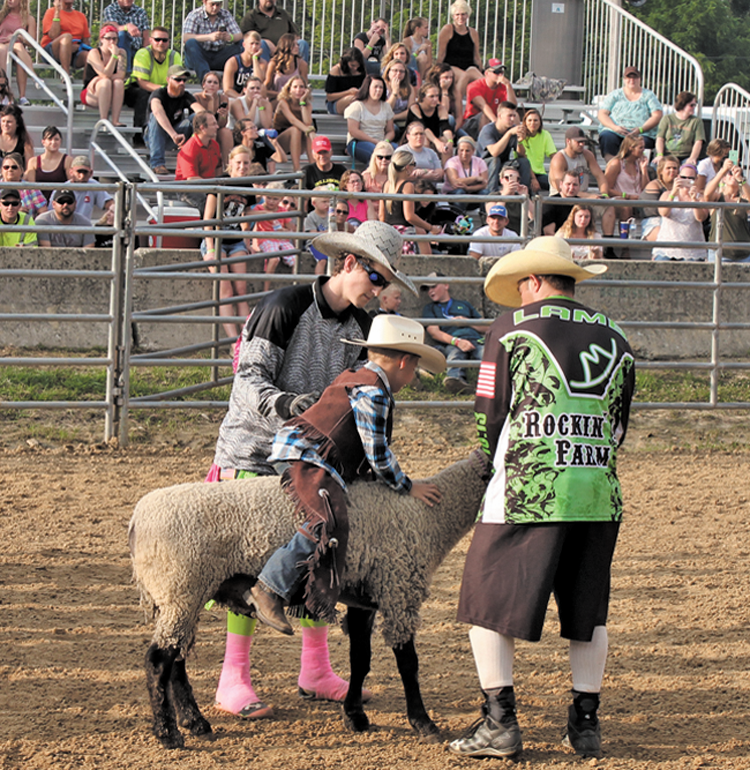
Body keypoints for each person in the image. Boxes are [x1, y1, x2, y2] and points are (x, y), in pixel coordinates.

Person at [206, 220, 415, 718]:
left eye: (385, 282)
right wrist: (291, 407)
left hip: (319, 458)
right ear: (349, 264)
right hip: (253, 453)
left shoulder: (362, 329)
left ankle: (315, 667)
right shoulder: (284, 307)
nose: (380, 290)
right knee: (253, 562)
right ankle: (233, 675)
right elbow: (247, 380)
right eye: (378, 278)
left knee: (329, 544)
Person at [449, 235, 634, 761]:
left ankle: (500, 722)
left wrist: (488, 467)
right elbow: (619, 423)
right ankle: (585, 723)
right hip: (598, 490)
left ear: (531, 281)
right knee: (588, 611)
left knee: (486, 600)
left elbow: (489, 413)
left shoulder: (510, 329)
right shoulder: (617, 335)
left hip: (529, 486)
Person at [247, 313, 444, 633]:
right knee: (327, 520)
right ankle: (268, 587)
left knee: (342, 511)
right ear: (405, 362)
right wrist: (407, 486)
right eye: (415, 371)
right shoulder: (373, 392)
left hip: (312, 451)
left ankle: (312, 590)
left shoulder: (358, 375)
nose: (411, 381)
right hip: (309, 455)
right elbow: (377, 453)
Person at [202, 144, 254, 344]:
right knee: (226, 290)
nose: (242, 167)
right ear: (230, 163)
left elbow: (245, 216)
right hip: (215, 240)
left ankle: (246, 339)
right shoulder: (219, 184)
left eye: (246, 163)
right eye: (239, 162)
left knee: (241, 289)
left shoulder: (249, 186)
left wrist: (247, 240)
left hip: (236, 241)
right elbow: (207, 220)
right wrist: (212, 248)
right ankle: (233, 342)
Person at [421, 271, 485, 394]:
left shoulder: (464, 304)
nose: (430, 291)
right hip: (453, 342)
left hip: (476, 339)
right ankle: (455, 381)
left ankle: (497, 381)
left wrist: (466, 321)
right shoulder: (430, 308)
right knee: (455, 355)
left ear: (446, 285)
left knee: (487, 354)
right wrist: (457, 342)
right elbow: (434, 332)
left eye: (434, 286)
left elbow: (486, 326)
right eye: (427, 288)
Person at [124, 26, 181, 144]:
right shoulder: (143, 54)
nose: (161, 43)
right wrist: (164, 90)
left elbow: (178, 80)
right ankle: (139, 136)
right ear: (150, 40)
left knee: (180, 97)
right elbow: (142, 82)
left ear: (169, 42)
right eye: (157, 39)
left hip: (163, 90)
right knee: (144, 96)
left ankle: (177, 137)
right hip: (137, 89)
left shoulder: (174, 56)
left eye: (165, 40)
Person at [145, 64, 204, 175]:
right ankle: (157, 164)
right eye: (178, 80)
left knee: (197, 118)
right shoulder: (158, 94)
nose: (182, 83)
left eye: (184, 80)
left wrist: (216, 116)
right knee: (155, 116)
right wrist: (173, 134)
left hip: (175, 136)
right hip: (153, 137)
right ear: (168, 80)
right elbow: (157, 110)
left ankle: (197, 159)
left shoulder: (186, 96)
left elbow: (201, 112)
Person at [380, 148, 441, 255]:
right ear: (407, 167)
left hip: (388, 233)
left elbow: (381, 215)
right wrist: (431, 228)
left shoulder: (387, 184)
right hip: (403, 233)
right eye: (414, 164)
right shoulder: (407, 185)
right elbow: (409, 216)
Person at [596, 65, 663, 162]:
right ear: (624, 79)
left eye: (635, 77)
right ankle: (613, 167)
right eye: (629, 77)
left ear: (639, 79)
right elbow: (602, 113)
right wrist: (615, 128)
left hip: (640, 133)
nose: (632, 80)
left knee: (641, 143)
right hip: (616, 131)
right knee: (607, 137)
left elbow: (657, 115)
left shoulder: (648, 95)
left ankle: (634, 169)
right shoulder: (615, 94)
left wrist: (641, 129)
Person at [653, 162, 708, 261]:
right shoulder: (667, 194)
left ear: (696, 180)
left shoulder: (700, 198)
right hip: (666, 248)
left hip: (692, 250)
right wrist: (673, 193)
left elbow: (701, 218)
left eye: (690, 178)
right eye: (683, 177)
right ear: (678, 177)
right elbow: (664, 213)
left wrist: (694, 200)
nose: (686, 181)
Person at [250, 179, 296, 291]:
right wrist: (267, 214)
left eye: (275, 199)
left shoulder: (282, 211)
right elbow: (249, 213)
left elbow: (292, 230)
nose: (271, 201)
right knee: (274, 259)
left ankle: (295, 287)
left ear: (280, 199)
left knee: (296, 259)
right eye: (269, 197)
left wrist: (283, 231)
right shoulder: (259, 208)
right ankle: (266, 290)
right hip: (266, 239)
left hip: (281, 240)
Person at [436, 0, 483, 111]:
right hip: (451, 65)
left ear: (467, 15)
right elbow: (441, 53)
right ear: (453, 16)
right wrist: (437, 69)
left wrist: (481, 70)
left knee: (482, 78)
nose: (460, 17)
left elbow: (476, 56)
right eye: (457, 14)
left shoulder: (473, 32)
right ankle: (456, 104)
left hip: (469, 66)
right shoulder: (447, 29)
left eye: (463, 14)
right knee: (465, 76)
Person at [602, 134, 649, 241]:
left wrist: (644, 170)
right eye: (640, 147)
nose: (643, 150)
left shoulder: (639, 163)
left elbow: (646, 189)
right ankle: (624, 246)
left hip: (637, 200)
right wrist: (628, 196)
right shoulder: (617, 163)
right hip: (620, 198)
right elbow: (607, 189)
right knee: (626, 207)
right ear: (630, 148)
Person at [182, 0, 242, 82]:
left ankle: (239, 82)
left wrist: (230, 37)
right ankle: (207, 81)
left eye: (218, 5)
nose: (215, 8)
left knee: (243, 44)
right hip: (200, 56)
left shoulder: (225, 14)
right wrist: (209, 37)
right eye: (212, 4)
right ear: (204, 2)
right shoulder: (195, 15)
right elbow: (186, 37)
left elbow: (239, 35)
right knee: (191, 43)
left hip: (219, 55)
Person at [477, 102, 531, 193]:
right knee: (495, 160)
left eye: (514, 116)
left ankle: (525, 194)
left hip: (502, 165)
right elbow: (494, 152)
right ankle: (492, 194)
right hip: (484, 166)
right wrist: (509, 134)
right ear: (500, 115)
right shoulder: (488, 130)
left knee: (524, 162)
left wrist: (520, 141)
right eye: (509, 116)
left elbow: (521, 155)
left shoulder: (512, 129)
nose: (513, 119)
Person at [705, 158, 750, 262]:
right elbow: (707, 194)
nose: (733, 175)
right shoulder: (718, 197)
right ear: (724, 178)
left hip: (744, 254)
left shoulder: (743, 199)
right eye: (730, 173)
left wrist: (740, 179)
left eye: (737, 172)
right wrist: (723, 170)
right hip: (720, 253)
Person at [81, 25, 127, 126]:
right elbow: (105, 74)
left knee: (118, 83)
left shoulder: (122, 52)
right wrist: (114, 56)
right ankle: (104, 119)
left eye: (114, 39)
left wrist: (98, 78)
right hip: (92, 92)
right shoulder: (94, 53)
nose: (112, 42)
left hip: (110, 92)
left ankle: (115, 120)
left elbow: (121, 75)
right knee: (105, 82)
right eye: (108, 38)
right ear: (102, 39)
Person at [345, 74, 395, 164]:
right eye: (375, 87)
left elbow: (390, 130)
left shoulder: (386, 106)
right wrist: (374, 141)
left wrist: (386, 142)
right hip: (359, 142)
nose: (378, 90)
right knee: (377, 155)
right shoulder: (357, 106)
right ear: (368, 88)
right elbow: (353, 130)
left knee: (400, 153)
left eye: (381, 87)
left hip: (381, 141)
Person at [462, 58, 517, 140]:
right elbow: (483, 106)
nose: (500, 75)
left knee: (514, 115)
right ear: (487, 73)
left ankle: (517, 143)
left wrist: (508, 85)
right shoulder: (474, 86)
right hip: (472, 123)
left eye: (501, 72)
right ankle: (485, 142)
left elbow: (513, 106)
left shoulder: (503, 87)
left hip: (494, 121)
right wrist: (497, 124)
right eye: (496, 72)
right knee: (485, 115)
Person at [240, 0, 309, 64]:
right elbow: (247, 37)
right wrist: (265, 41)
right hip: (265, 49)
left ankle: (298, 74)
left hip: (285, 48)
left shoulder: (283, 14)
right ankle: (264, 74)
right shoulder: (251, 16)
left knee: (302, 43)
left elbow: (295, 34)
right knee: (262, 44)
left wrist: (286, 45)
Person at [548, 126, 608, 196]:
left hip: (583, 197)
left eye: (583, 141)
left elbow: (600, 176)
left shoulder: (587, 155)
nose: (582, 144)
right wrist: (588, 196)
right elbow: (562, 189)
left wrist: (604, 194)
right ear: (568, 141)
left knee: (610, 206)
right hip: (562, 199)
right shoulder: (559, 159)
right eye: (578, 142)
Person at [404, 81, 454, 164]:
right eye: (431, 96)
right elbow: (423, 128)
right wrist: (437, 142)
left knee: (446, 144)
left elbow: (445, 127)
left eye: (437, 96)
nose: (435, 99)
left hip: (433, 139)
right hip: (415, 139)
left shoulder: (440, 109)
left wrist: (450, 141)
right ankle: (427, 168)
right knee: (424, 141)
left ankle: (446, 172)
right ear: (423, 97)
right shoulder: (415, 108)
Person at [272, 75, 314, 171]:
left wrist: (302, 102)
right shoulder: (283, 102)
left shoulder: (307, 105)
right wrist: (310, 131)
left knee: (306, 132)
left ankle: (313, 166)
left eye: (301, 87)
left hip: (298, 142)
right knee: (297, 129)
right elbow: (293, 120)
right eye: (295, 87)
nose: (298, 90)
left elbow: (307, 122)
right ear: (289, 89)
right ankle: (296, 168)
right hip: (280, 141)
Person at [51, 155, 113, 219]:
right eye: (79, 172)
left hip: (85, 226)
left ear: (91, 173)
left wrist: (108, 215)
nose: (82, 176)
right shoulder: (61, 189)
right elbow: (51, 213)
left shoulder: (93, 185)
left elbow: (109, 203)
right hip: (64, 226)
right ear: (71, 172)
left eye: (85, 172)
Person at [0, 0, 36, 105]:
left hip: (16, 48)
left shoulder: (29, 19)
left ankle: (22, 97)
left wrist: (18, 37)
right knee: (3, 50)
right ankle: (34, 77)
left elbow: (32, 42)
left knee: (19, 47)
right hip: (2, 45)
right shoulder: (1, 16)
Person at [655, 91, 704, 166]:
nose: (694, 107)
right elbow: (660, 138)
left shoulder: (696, 121)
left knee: (690, 168)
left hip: (686, 157)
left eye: (695, 105)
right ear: (683, 105)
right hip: (668, 155)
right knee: (655, 165)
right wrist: (660, 154)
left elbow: (698, 142)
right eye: (691, 105)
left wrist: (692, 158)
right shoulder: (667, 119)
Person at [24, 125, 71, 203]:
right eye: (50, 139)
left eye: (56, 139)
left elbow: (71, 185)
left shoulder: (67, 160)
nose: (53, 142)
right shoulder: (33, 161)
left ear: (60, 141)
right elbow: (32, 189)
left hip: (60, 204)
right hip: (39, 204)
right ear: (43, 142)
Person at [41, 0, 90, 74]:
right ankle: (66, 74)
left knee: (90, 56)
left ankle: (88, 83)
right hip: (53, 50)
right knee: (67, 37)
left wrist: (80, 48)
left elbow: (86, 40)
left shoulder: (81, 16)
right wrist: (57, 12)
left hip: (74, 51)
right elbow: (53, 35)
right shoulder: (51, 12)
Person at [102, 0, 150, 74]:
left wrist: (145, 52)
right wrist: (127, 27)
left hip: (137, 49)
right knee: (122, 35)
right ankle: (125, 73)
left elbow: (146, 35)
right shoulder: (110, 9)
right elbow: (112, 27)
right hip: (118, 49)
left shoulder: (141, 12)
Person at [193, 70, 232, 161]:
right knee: (210, 131)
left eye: (215, 82)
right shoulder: (196, 97)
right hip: (201, 129)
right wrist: (211, 101)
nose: (212, 85)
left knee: (226, 132)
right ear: (204, 85)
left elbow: (222, 124)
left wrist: (223, 115)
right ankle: (210, 164)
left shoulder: (223, 98)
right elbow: (206, 121)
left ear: (219, 87)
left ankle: (227, 166)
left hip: (216, 127)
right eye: (209, 82)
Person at [641, 154, 679, 241]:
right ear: (661, 171)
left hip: (675, 221)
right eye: (668, 168)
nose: (672, 170)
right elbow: (652, 210)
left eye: (675, 168)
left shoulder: (680, 186)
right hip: (654, 222)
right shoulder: (654, 185)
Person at [175, 111, 221, 182]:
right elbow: (191, 179)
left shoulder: (215, 145)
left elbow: (218, 168)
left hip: (209, 187)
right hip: (189, 189)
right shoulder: (189, 149)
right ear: (202, 128)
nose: (217, 127)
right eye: (213, 124)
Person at [518, 108, 555, 193]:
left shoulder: (545, 135)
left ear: (540, 122)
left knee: (557, 186)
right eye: (529, 120)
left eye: (535, 120)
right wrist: (533, 178)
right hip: (524, 172)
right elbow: (522, 157)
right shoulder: (521, 136)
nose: (532, 123)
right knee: (528, 185)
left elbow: (554, 155)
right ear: (525, 122)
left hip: (540, 174)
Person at [264, 32, 307, 102]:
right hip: (277, 98)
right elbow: (265, 89)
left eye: (297, 45)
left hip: (294, 100)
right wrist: (282, 94)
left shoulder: (302, 64)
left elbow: (304, 87)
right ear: (286, 46)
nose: (297, 47)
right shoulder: (273, 64)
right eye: (293, 45)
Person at [223, 30, 266, 100]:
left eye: (257, 44)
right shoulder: (233, 62)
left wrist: (255, 59)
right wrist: (243, 100)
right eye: (251, 43)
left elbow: (259, 82)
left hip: (254, 98)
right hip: (235, 97)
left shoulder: (262, 63)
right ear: (244, 45)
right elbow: (227, 89)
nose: (254, 46)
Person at [442, 134, 488, 199]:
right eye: (461, 150)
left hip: (473, 191)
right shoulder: (451, 162)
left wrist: (468, 188)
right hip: (453, 193)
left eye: (467, 151)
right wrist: (475, 179)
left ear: (473, 151)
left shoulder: (480, 162)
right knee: (460, 192)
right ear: (457, 150)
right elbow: (455, 183)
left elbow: (484, 184)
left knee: (485, 192)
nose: (464, 154)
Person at [324, 47, 366, 116]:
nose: (355, 68)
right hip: (336, 103)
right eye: (352, 65)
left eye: (357, 66)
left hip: (357, 101)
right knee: (353, 99)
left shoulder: (361, 71)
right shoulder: (336, 70)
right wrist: (349, 92)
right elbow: (329, 97)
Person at [1, 151, 45, 217]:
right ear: (1, 170)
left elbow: (43, 211)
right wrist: (14, 211)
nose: (10, 169)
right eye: (6, 167)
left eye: (14, 167)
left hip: (27, 225)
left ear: (22, 170)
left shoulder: (31, 188)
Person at [362, 139, 392, 220]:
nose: (384, 160)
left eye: (388, 157)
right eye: (380, 157)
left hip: (390, 216)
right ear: (374, 158)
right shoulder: (365, 176)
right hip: (369, 216)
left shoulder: (395, 177)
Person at [383, 57, 414, 126]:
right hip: (384, 120)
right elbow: (386, 110)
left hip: (401, 119)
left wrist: (394, 117)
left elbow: (411, 110)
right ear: (388, 72)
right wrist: (395, 92)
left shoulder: (409, 88)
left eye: (401, 71)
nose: (398, 73)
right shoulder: (382, 86)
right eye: (395, 70)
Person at [402, 16, 432, 81]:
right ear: (417, 29)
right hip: (411, 66)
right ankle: (418, 82)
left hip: (424, 69)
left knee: (431, 73)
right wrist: (418, 51)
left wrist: (423, 70)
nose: (428, 30)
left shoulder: (427, 42)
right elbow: (408, 59)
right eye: (426, 28)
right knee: (423, 57)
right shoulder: (407, 41)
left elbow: (429, 62)